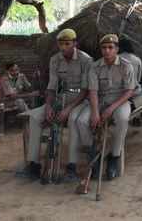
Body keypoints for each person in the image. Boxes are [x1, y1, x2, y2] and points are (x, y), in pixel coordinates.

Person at [19, 29, 93, 179]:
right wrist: (48, 106)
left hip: (80, 99)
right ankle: (33, 164)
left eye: (67, 44)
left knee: (72, 120)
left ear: (75, 44)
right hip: (61, 98)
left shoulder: (86, 60)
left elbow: (85, 90)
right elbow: (52, 87)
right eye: (61, 44)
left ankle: (72, 165)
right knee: (34, 118)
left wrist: (68, 109)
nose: (63, 47)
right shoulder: (55, 59)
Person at [74, 34, 136, 180]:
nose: (107, 51)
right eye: (104, 48)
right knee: (81, 121)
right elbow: (93, 91)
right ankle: (94, 155)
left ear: (117, 49)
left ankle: (114, 157)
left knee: (122, 119)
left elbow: (129, 91)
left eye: (110, 47)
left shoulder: (126, 65)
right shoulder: (95, 67)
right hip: (99, 100)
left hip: (120, 100)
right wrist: (95, 112)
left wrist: (111, 108)